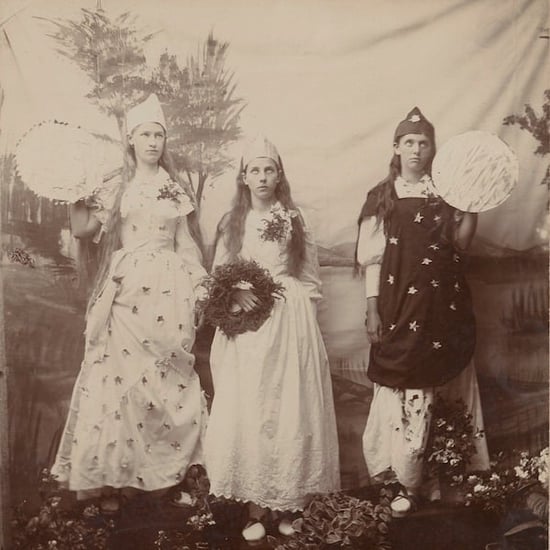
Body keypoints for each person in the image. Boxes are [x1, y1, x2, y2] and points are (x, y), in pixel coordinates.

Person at [51, 94, 208, 514]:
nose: (153, 142)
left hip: (170, 292)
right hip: (128, 292)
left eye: (159, 135)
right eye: (145, 135)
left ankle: (169, 478)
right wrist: (75, 192)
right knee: (120, 382)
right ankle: (112, 482)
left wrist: (200, 284)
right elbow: (84, 229)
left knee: (169, 384)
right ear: (131, 140)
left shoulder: (175, 189)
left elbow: (185, 244)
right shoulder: (117, 187)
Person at [204, 135, 340, 542]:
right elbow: (219, 274)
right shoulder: (234, 222)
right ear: (244, 178)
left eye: (269, 169)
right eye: (255, 170)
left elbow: (310, 277)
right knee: (254, 406)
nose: (262, 177)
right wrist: (236, 295)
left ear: (279, 176)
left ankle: (288, 504)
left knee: (289, 407)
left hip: (290, 320)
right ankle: (254, 507)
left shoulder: (294, 219)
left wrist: (303, 327)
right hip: (249, 323)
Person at [356, 107, 489, 517]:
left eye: (423, 143)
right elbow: (371, 258)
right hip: (398, 306)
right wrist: (373, 308)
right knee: (403, 384)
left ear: (433, 149)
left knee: (440, 382)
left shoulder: (446, 192)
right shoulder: (382, 196)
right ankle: (401, 480)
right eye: (408, 142)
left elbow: (462, 244)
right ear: (396, 148)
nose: (416, 150)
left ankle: (437, 478)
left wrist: (473, 206)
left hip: (441, 307)